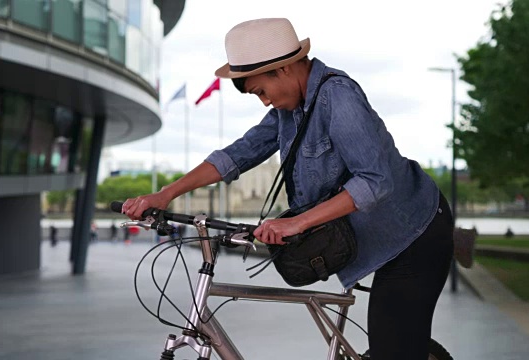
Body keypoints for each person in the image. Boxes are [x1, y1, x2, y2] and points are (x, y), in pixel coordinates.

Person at [122, 18, 453, 359]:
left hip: (413, 237)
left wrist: (298, 221)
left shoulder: (338, 98)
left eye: (261, 91)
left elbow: (375, 180)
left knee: (392, 350)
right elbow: (239, 154)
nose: (264, 102)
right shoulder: (291, 109)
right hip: (372, 241)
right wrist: (165, 194)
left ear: (282, 69)